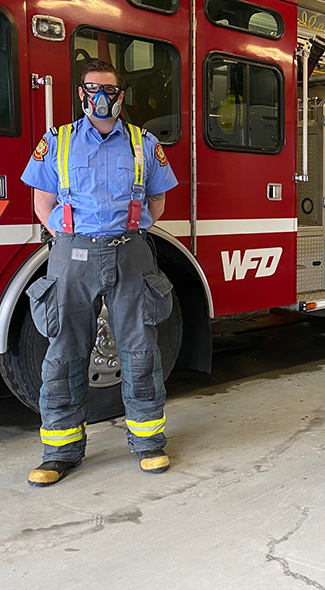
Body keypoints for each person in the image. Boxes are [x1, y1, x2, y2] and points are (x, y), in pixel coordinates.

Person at [21, 60, 178, 486]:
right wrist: (75, 239)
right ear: (80, 94)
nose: (100, 97)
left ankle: (148, 442)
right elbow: (42, 204)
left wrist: (126, 229)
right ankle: (60, 452)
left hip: (130, 252)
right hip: (72, 255)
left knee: (140, 348)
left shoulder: (143, 143)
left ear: (121, 95)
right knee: (64, 353)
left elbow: (157, 204)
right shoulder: (58, 141)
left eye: (108, 89)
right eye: (92, 89)